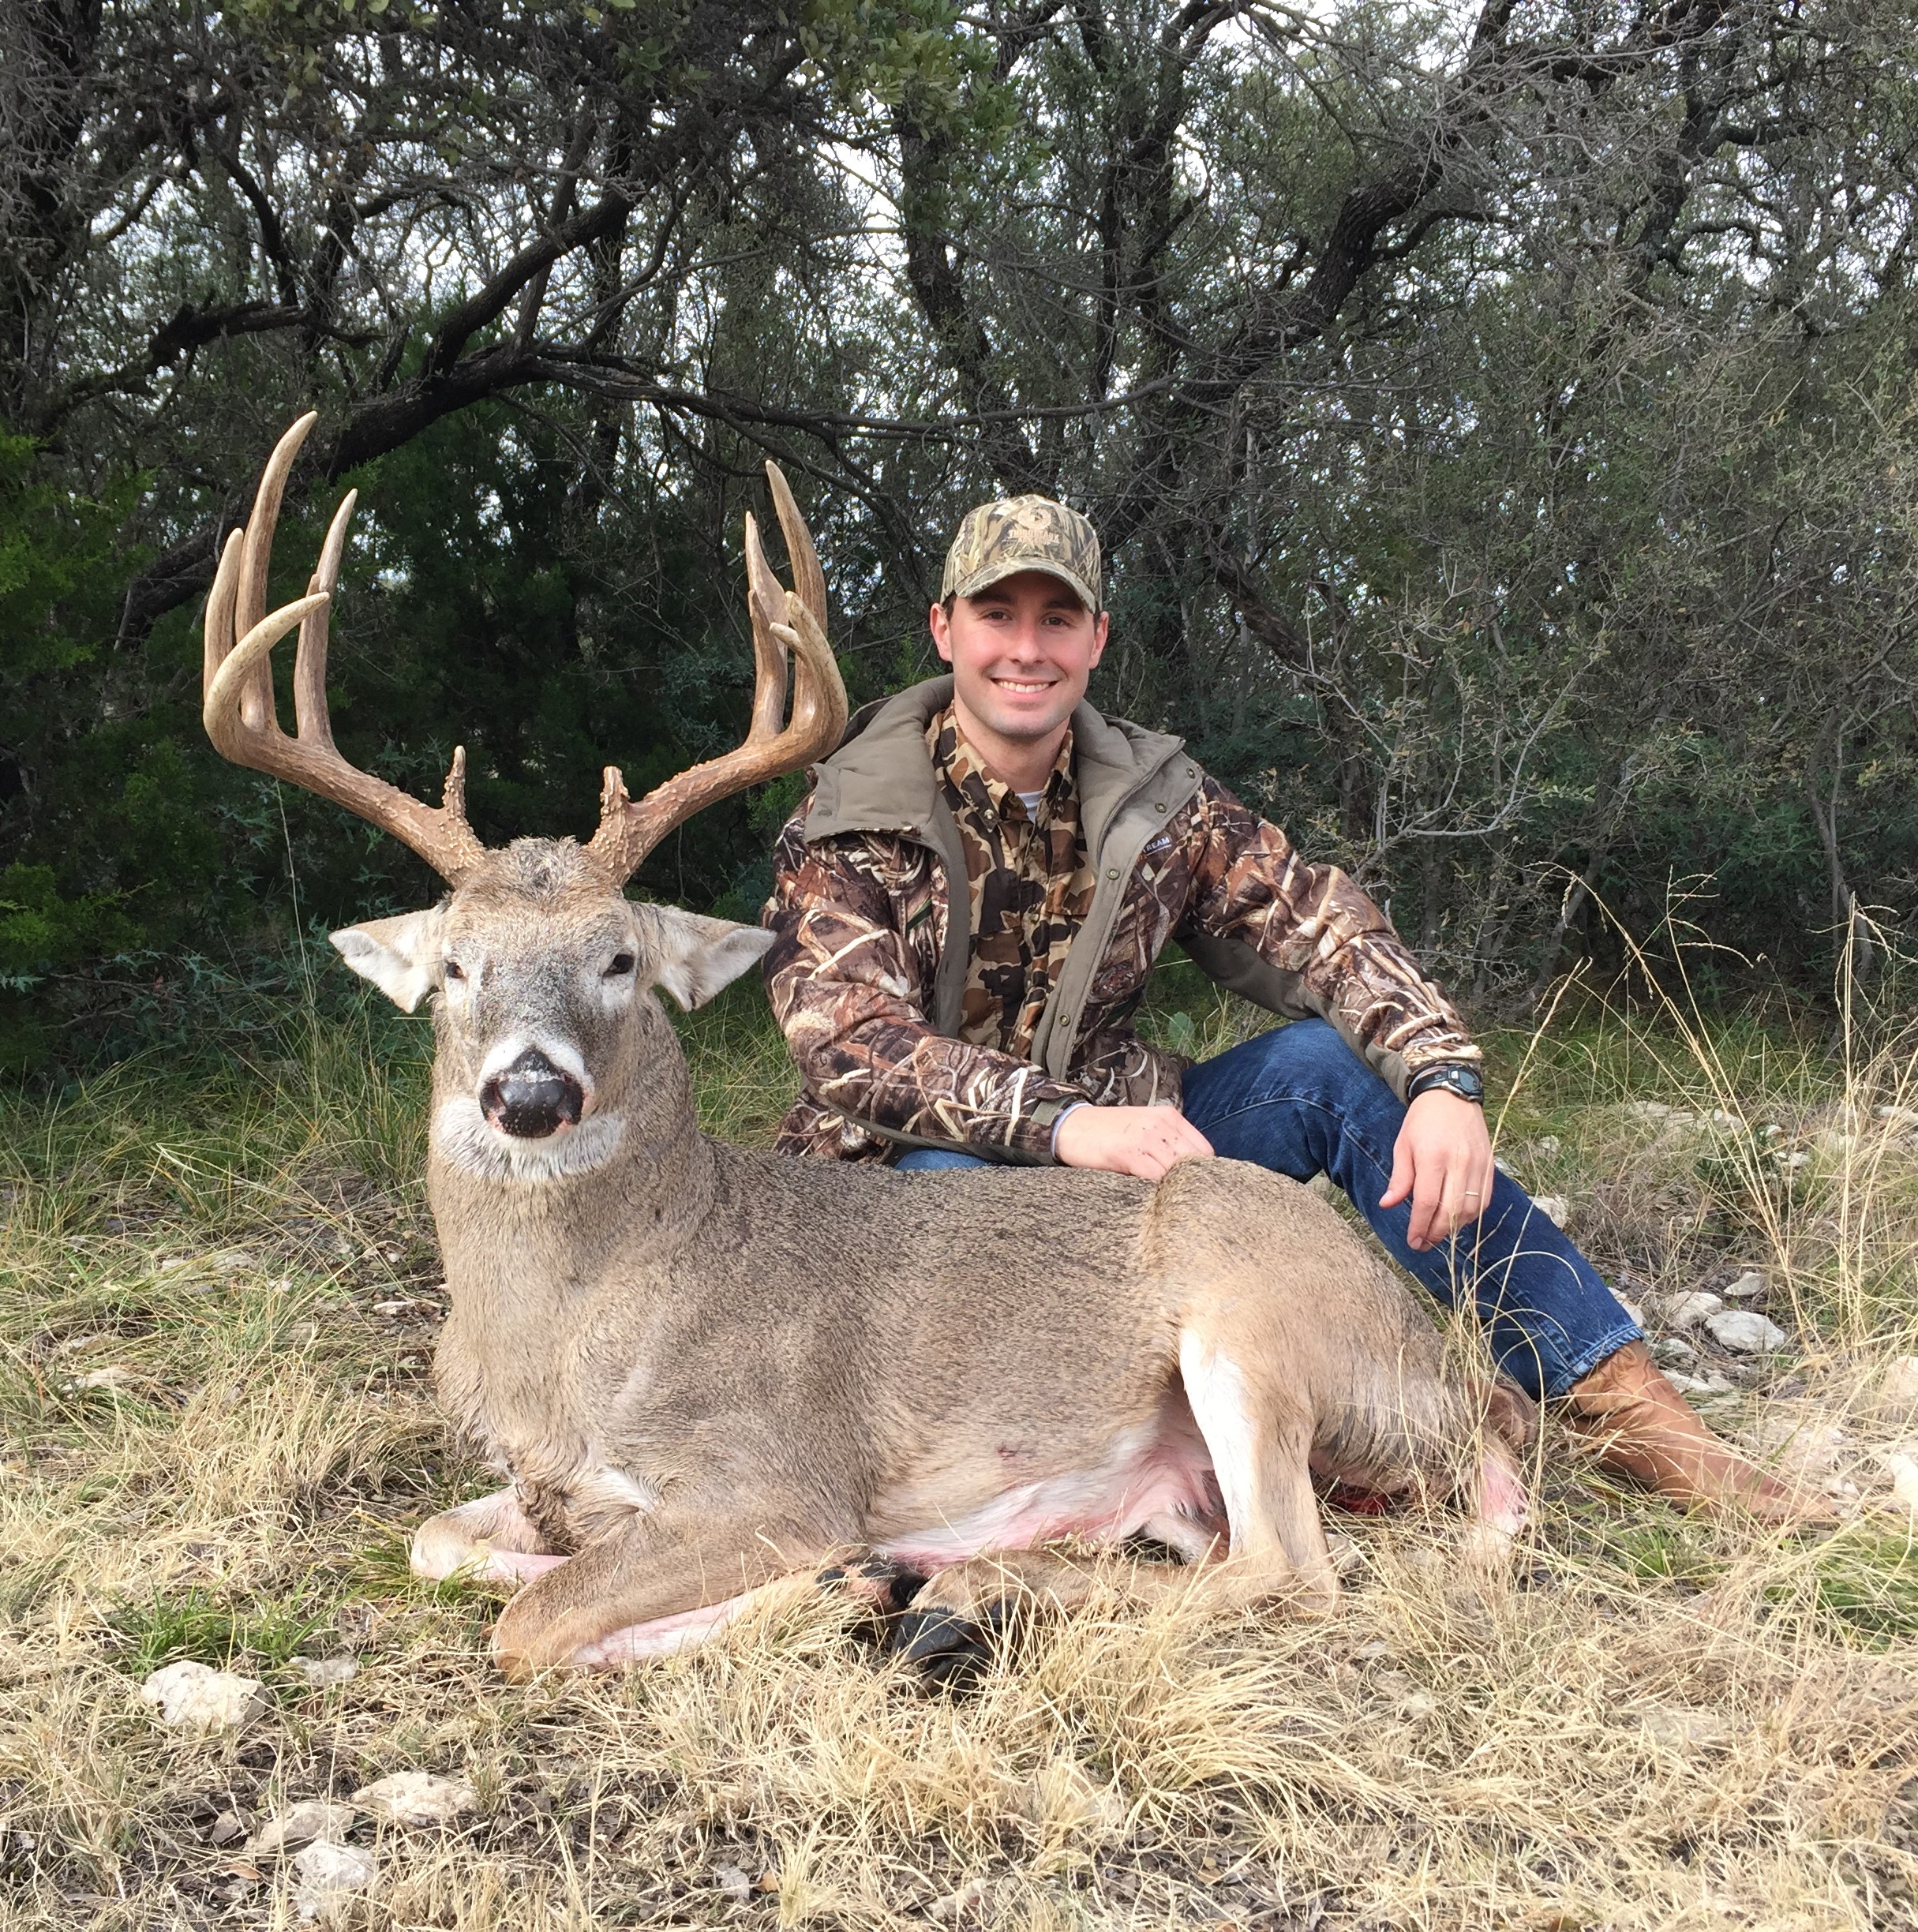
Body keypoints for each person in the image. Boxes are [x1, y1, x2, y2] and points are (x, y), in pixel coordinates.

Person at [760, 493, 1824, 1523]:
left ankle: (1619, 1407)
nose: (1024, 649)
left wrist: (1441, 1078)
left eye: (1057, 619)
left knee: (1329, 1074)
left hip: (1128, 1155)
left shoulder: (1155, 796)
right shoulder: (852, 812)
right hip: (907, 1179)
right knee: (958, 1201)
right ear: (944, 629)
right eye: (996, 616)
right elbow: (848, 1041)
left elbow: (1317, 925)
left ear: (1096, 639)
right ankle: (1076, 1490)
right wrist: (1060, 1124)